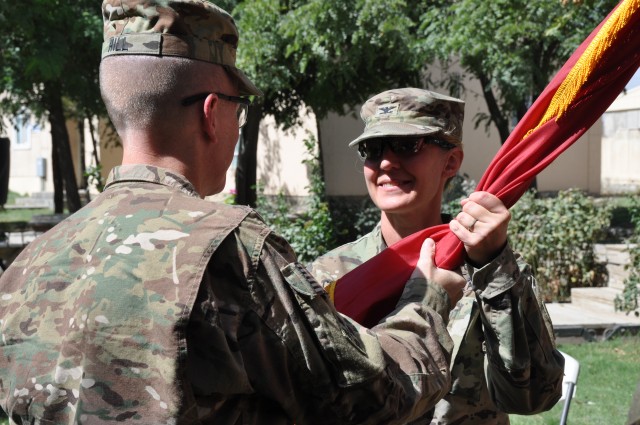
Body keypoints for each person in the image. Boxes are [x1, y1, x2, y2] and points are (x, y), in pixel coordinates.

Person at [0, 3, 460, 424]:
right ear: (211, 112)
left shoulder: (26, 267)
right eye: (238, 111)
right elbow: (369, 401)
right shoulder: (230, 250)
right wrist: (426, 300)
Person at [309, 88, 565, 424]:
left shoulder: (490, 268)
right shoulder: (332, 273)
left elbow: (534, 396)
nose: (386, 162)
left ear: (451, 161)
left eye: (407, 145)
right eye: (372, 149)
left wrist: (494, 267)